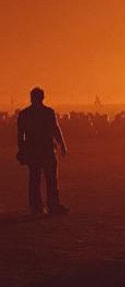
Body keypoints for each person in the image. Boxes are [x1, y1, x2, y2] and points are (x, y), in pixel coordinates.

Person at [16, 87, 69, 215]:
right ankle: (53, 205)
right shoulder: (49, 112)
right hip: (48, 150)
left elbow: (20, 135)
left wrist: (22, 150)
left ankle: (36, 206)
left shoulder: (24, 114)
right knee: (51, 179)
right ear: (43, 97)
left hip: (33, 151)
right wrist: (63, 144)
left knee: (35, 179)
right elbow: (56, 130)